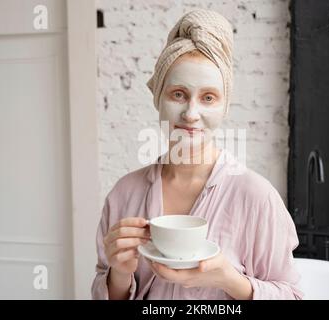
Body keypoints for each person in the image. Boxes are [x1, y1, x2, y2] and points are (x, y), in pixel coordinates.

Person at [91, 9, 303, 300]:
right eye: (178, 93)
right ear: (158, 99)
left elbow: (293, 295)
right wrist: (119, 275)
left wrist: (231, 280)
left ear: (224, 107)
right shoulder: (124, 194)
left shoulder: (256, 198)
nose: (191, 114)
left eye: (208, 98)